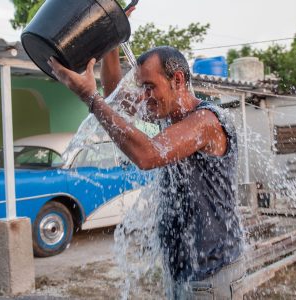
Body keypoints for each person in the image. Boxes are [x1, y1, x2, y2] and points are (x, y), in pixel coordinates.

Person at [48, 45, 244, 299]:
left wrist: (90, 98)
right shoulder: (166, 113)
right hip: (184, 268)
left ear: (178, 80)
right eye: (141, 87)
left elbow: (148, 155)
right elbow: (114, 98)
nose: (144, 96)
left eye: (149, 86)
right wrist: (111, 43)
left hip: (213, 273)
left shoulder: (206, 122)